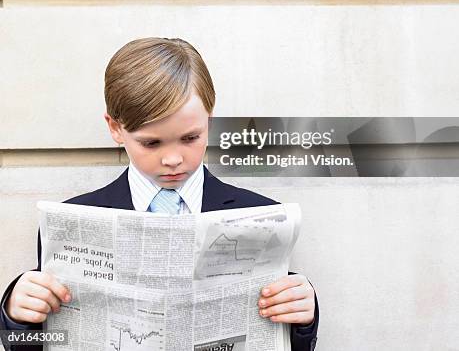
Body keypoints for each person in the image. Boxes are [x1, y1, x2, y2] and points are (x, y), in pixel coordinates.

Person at [0, 37, 319, 351]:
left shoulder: (259, 215)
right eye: (151, 143)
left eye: (191, 137)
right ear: (115, 128)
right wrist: (17, 315)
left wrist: (303, 315)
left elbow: (279, 334)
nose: (173, 159)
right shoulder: (73, 221)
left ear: (210, 116)